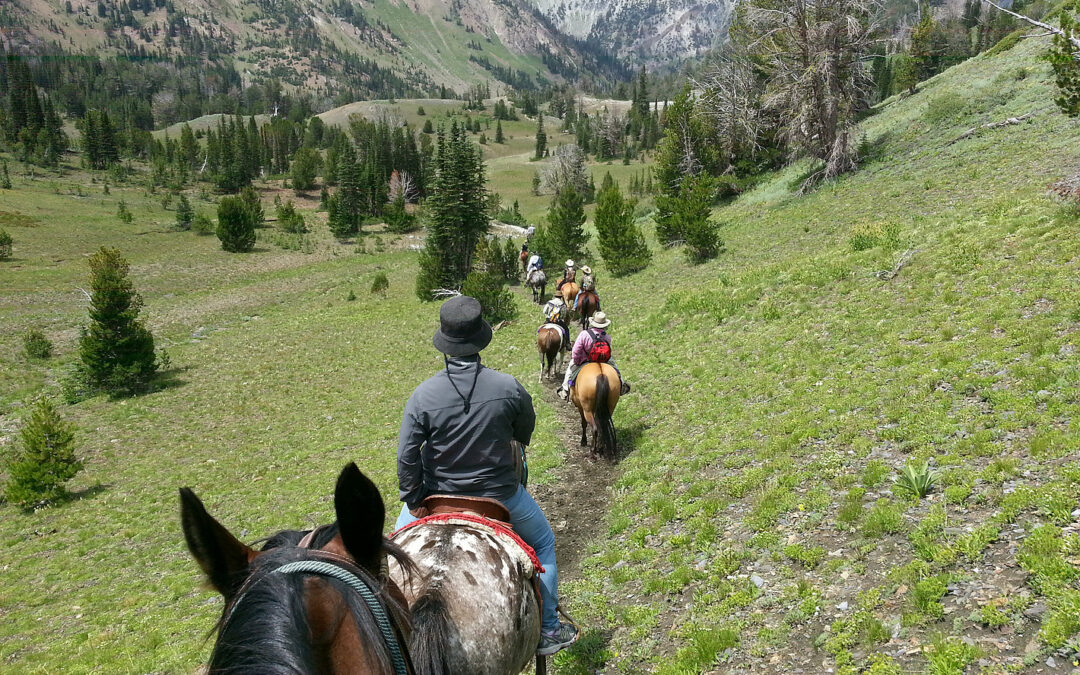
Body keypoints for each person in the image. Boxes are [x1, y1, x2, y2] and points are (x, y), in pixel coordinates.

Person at [395, 296, 578, 655]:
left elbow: (406, 455)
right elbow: (524, 431)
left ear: (444, 345)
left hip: (436, 498)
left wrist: (414, 498)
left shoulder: (422, 395)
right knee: (543, 546)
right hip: (501, 496)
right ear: (481, 339)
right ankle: (550, 629)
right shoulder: (508, 387)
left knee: (385, 559)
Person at [557, 311, 630, 401]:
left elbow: (575, 351)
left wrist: (576, 361)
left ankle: (565, 390)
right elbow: (608, 351)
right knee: (615, 369)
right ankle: (622, 385)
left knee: (569, 371)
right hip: (603, 360)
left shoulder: (584, 334)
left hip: (585, 360)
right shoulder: (607, 337)